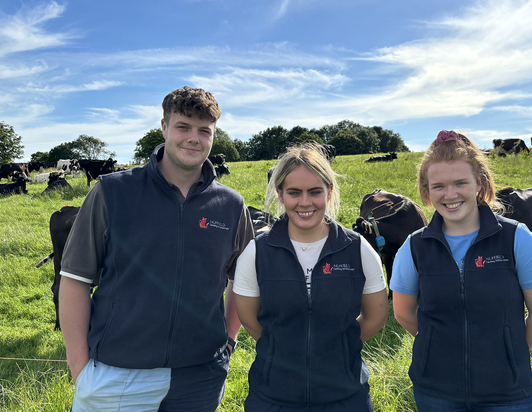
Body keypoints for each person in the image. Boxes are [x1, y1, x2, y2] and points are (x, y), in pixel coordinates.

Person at [58, 86, 254, 411]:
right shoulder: (112, 191)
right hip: (117, 375)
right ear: (164, 128)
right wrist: (80, 368)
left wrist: (228, 342)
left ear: (213, 135)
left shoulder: (231, 205)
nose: (194, 138)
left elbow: (242, 280)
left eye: (204, 131)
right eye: (183, 127)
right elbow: (75, 279)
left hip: (199, 378)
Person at [391, 130, 532, 412]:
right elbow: (403, 313)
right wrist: (439, 349)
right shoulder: (414, 246)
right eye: (439, 186)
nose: (450, 194)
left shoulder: (518, 239)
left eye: (460, 183)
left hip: (506, 392)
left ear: (479, 184)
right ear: (427, 190)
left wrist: (506, 354)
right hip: (435, 392)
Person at [233, 144, 389, 412]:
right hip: (272, 398)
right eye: (294, 192)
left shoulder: (358, 249)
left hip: (345, 397)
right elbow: (249, 318)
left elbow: (376, 317)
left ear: (328, 192)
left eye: (315, 192)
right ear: (280, 194)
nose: (305, 202)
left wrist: (337, 348)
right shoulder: (256, 252)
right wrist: (281, 349)